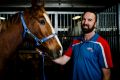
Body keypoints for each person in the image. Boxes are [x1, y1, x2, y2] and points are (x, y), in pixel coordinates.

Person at [53, 11, 113, 80]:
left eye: (89, 20)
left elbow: (107, 74)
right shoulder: (75, 41)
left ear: (95, 24)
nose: (85, 22)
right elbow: (63, 60)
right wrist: (46, 54)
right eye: (84, 19)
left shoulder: (102, 43)